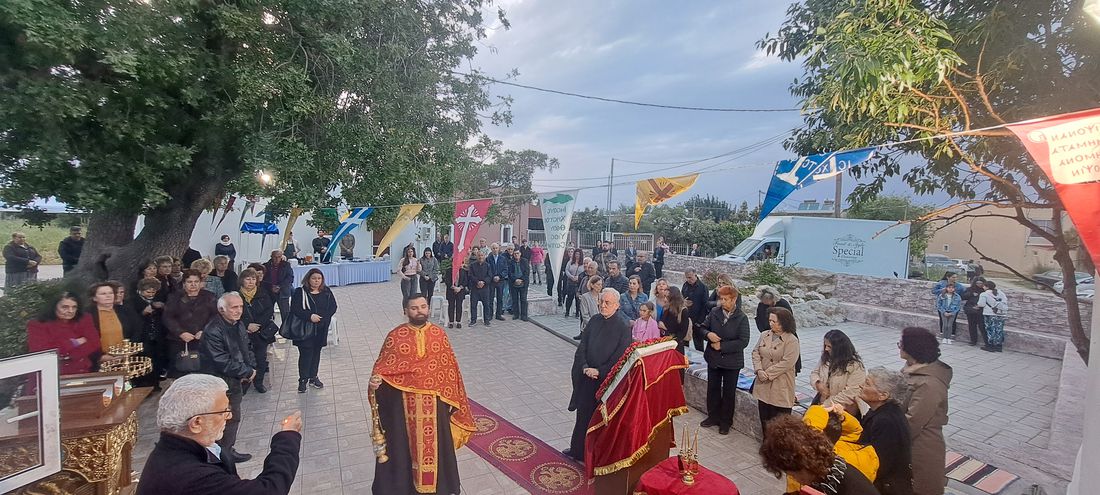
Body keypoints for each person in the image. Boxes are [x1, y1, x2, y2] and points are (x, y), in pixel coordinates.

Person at [369, 294, 475, 495]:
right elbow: (382, 369)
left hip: (435, 406)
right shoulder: (395, 336)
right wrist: (376, 383)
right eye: (414, 308)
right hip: (402, 407)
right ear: (405, 311)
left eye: (423, 306)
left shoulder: (439, 334)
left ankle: (439, 487)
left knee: (437, 448)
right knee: (402, 448)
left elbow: (450, 369)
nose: (420, 311)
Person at [136, 374, 303, 495]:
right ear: (196, 423)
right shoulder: (189, 477)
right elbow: (268, 490)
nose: (229, 416)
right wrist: (288, 437)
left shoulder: (180, 448)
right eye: (223, 411)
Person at [565, 288, 632, 461]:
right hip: (586, 378)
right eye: (601, 301)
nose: (603, 305)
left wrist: (600, 371)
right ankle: (577, 450)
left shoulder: (623, 328)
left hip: (605, 383)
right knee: (582, 416)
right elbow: (582, 347)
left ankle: (594, 457)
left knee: (598, 421)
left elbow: (620, 357)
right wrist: (584, 366)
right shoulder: (594, 320)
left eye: (607, 302)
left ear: (616, 305)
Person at [199, 293, 256, 462]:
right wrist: (245, 371)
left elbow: (246, 347)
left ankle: (227, 450)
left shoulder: (238, 324)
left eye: (241, 307)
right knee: (221, 419)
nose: (239, 311)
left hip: (235, 380)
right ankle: (219, 454)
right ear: (222, 309)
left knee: (233, 417)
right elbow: (220, 360)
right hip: (219, 383)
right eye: (234, 307)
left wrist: (251, 367)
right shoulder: (213, 330)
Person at [759, 416, 879, 495]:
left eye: (793, 475)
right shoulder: (828, 472)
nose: (796, 480)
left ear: (805, 465)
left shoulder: (844, 484)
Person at [899, 327, 952, 495]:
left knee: (922, 486)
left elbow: (914, 421)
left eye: (901, 343)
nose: (899, 346)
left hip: (922, 446)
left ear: (912, 348)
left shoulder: (929, 384)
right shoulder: (913, 370)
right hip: (909, 441)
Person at [698, 286, 750, 435]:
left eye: (726, 299)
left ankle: (725, 422)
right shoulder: (714, 312)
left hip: (731, 362)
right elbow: (702, 328)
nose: (722, 302)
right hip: (714, 358)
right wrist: (708, 334)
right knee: (713, 389)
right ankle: (712, 416)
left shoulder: (741, 317)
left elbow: (743, 341)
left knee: (728, 393)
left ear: (734, 300)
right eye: (721, 299)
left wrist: (722, 346)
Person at [859, 367, 914, 495]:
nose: (861, 385)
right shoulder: (882, 411)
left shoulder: (886, 421)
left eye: (867, 383)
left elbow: (878, 463)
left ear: (883, 395)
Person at [751, 306, 800, 436]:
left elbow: (787, 362)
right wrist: (759, 370)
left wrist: (768, 374)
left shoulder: (792, 340)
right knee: (765, 418)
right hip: (763, 383)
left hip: (781, 384)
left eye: (774, 321)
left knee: (780, 422)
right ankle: (766, 442)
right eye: (770, 320)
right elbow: (756, 352)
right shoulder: (764, 335)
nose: (771, 323)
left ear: (784, 322)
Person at [27, 292, 101, 375]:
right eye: (65, 307)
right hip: (51, 372)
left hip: (81, 369)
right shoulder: (38, 325)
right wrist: (74, 342)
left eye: (74, 307)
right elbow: (42, 350)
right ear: (54, 307)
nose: (70, 311)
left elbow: (95, 343)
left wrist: (67, 354)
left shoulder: (84, 319)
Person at [162, 270, 218, 376]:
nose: (193, 284)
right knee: (179, 374)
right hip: (178, 341)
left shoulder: (209, 296)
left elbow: (215, 316)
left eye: (196, 281)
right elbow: (167, 317)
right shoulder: (174, 297)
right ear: (184, 283)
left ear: (201, 283)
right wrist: (181, 333)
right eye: (189, 282)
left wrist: (204, 331)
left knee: (203, 373)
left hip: (202, 340)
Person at [291, 268, 338, 393]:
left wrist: (324, 318)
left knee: (316, 353)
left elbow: (333, 307)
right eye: (314, 278)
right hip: (306, 329)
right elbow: (295, 309)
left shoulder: (326, 291)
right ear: (308, 279)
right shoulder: (300, 292)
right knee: (306, 354)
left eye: (319, 278)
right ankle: (303, 379)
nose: (316, 281)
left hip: (321, 328)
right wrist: (309, 316)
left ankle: (313, 377)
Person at [811, 329, 868, 416]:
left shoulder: (855, 366)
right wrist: (818, 384)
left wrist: (826, 405)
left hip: (843, 408)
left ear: (839, 348)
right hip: (822, 401)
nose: (826, 349)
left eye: (829, 346)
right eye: (825, 345)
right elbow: (815, 373)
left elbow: (851, 392)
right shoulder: (826, 357)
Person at [239, 268, 275, 393]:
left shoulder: (263, 293)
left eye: (253, 279)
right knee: (245, 359)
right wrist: (247, 325)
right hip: (242, 333)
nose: (251, 282)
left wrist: (257, 325)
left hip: (260, 332)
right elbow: (232, 313)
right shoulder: (236, 295)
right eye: (248, 279)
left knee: (260, 359)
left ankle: (258, 382)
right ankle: (245, 382)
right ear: (242, 280)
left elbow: (269, 311)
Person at [128, 277, 168, 388]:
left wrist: (163, 307)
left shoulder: (159, 300)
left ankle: (155, 383)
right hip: (141, 337)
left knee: (157, 360)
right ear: (140, 290)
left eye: (153, 292)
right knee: (143, 360)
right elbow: (131, 320)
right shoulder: (133, 302)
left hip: (157, 336)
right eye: (148, 292)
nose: (151, 294)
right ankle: (142, 384)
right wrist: (143, 313)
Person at [88, 281, 141, 362]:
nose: (108, 296)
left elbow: (138, 330)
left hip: (126, 357)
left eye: (111, 293)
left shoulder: (126, 310)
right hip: (100, 360)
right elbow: (86, 340)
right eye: (103, 294)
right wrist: (99, 357)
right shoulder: (88, 315)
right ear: (94, 298)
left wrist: (129, 351)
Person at [681, 268, 710, 352]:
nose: (688, 279)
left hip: (698, 319)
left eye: (690, 277)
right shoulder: (685, 285)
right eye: (687, 277)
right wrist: (683, 302)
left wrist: (700, 321)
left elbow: (705, 305)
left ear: (695, 274)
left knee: (698, 344)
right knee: (684, 343)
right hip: (686, 318)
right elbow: (681, 298)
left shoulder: (703, 287)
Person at [977, 280, 1009, 352]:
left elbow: (981, 304)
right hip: (1001, 314)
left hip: (989, 314)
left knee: (990, 329)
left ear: (987, 287)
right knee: (999, 330)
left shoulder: (984, 294)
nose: (983, 287)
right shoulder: (1001, 293)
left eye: (984, 286)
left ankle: (991, 346)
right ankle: (999, 346)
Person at [263, 250, 294, 321]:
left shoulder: (286, 265)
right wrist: (271, 287)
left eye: (279, 257)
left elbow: (290, 278)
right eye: (275, 257)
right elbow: (263, 279)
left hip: (283, 292)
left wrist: (279, 286)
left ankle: (286, 328)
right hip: (269, 291)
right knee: (267, 312)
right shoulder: (265, 266)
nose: (277, 259)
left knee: (285, 313)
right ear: (271, 257)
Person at [659, 286, 690, 356]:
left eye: (667, 297)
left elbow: (682, 334)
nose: (665, 299)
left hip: (676, 347)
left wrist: (665, 329)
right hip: (665, 344)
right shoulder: (666, 308)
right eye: (664, 296)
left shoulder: (683, 311)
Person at [468, 250, 492, 326]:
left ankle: (486, 320)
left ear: (484, 256)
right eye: (479, 256)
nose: (480, 257)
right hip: (475, 288)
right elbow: (470, 275)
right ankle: (473, 320)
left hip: (485, 288)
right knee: (473, 305)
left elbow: (489, 276)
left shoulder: (488, 265)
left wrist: (483, 282)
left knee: (486, 305)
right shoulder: (472, 265)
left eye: (482, 255)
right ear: (476, 256)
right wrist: (477, 282)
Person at [961, 278, 986, 347]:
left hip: (981, 311)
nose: (979, 285)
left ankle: (986, 342)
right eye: (978, 283)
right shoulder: (970, 289)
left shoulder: (985, 290)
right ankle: (973, 340)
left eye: (981, 283)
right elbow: (963, 297)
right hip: (971, 310)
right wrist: (971, 294)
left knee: (982, 326)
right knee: (972, 326)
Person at [443, 259, 468, 328]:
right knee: (451, 306)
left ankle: (458, 321)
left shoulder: (463, 271)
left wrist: (459, 288)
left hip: (460, 291)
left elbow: (465, 281)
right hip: (451, 291)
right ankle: (451, 321)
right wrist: (453, 287)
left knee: (459, 306)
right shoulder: (449, 271)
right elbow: (447, 280)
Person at [506, 249, 530, 321]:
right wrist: (515, 280)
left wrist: (521, 280)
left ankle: (524, 316)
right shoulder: (510, 262)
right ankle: (516, 314)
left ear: (520, 254)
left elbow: (527, 272)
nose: (516, 255)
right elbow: (509, 273)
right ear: (513, 255)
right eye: (515, 254)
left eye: (517, 253)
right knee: (514, 299)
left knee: (523, 299)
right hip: (513, 283)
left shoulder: (525, 261)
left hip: (523, 283)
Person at [486, 243, 508, 321]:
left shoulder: (503, 258)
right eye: (493, 248)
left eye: (496, 248)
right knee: (490, 298)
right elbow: (487, 270)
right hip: (491, 281)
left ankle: (499, 314)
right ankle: (490, 315)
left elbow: (505, 270)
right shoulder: (488, 259)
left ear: (498, 249)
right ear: (491, 249)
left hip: (500, 281)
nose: (495, 250)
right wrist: (492, 277)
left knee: (500, 298)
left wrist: (499, 276)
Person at [564, 250, 585, 317]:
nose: (577, 255)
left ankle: (577, 312)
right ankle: (567, 311)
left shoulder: (583, 263)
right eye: (576, 254)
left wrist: (578, 277)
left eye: (578, 254)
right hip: (570, 282)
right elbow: (566, 270)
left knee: (577, 298)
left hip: (578, 283)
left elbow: (584, 272)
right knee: (569, 297)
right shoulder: (570, 262)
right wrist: (571, 276)